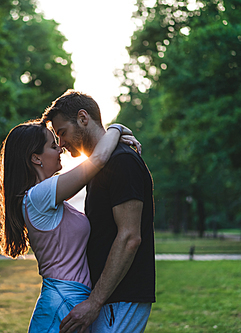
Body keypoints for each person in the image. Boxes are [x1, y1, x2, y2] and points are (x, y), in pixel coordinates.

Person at [0, 118, 139, 333]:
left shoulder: (46, 199)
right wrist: (116, 129)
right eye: (53, 146)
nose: (60, 148)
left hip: (69, 301)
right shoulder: (39, 196)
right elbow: (97, 160)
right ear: (36, 158)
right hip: (61, 303)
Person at [41, 90, 156, 333]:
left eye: (62, 132)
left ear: (83, 118)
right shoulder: (100, 166)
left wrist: (95, 301)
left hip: (120, 298)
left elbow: (129, 237)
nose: (60, 144)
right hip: (108, 297)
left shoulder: (121, 161)